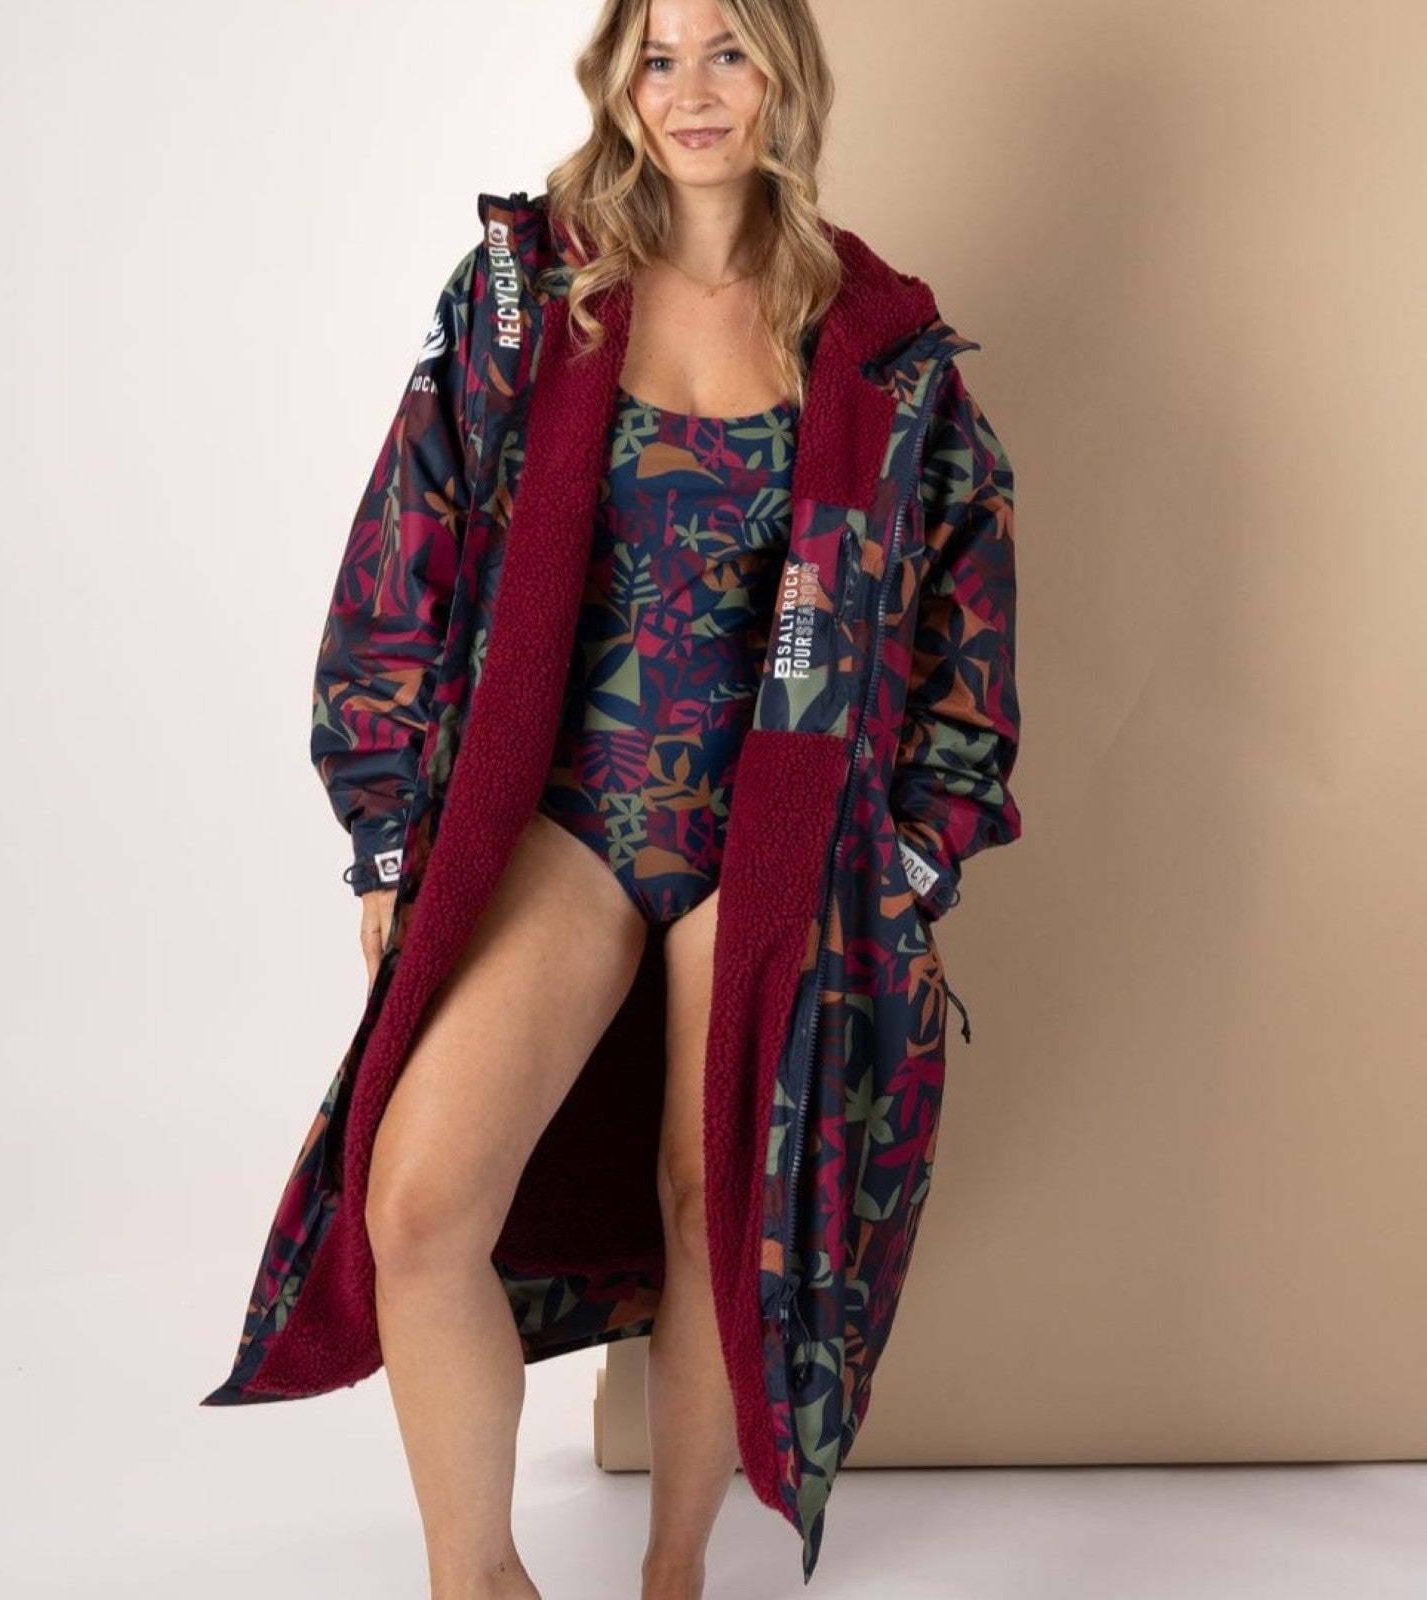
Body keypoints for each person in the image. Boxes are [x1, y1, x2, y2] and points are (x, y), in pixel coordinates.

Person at [201, 1, 1023, 1594]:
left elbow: (965, 628)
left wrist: (911, 871)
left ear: (784, 72)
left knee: (718, 1205)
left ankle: (672, 1573)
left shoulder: (879, 346)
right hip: (572, 822)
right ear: (615, 80)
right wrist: (385, 839)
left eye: (727, 51)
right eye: (657, 54)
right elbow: (404, 551)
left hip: (772, 845)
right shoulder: (528, 294)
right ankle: (477, 1580)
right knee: (418, 1205)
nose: (691, 90)